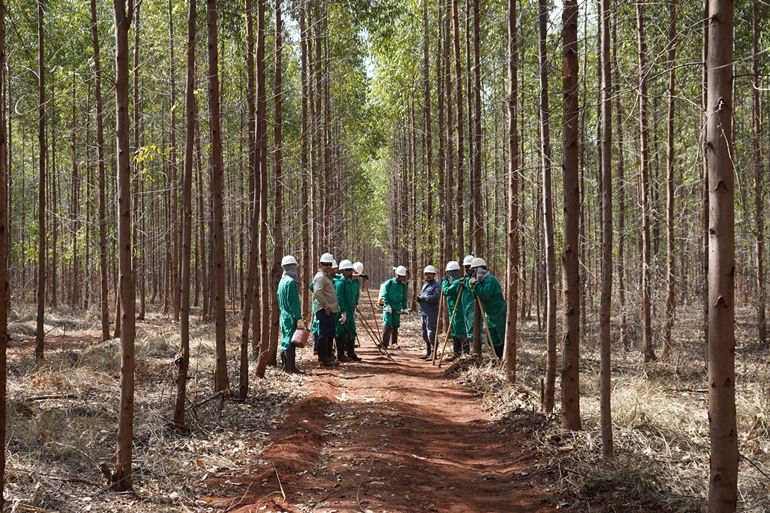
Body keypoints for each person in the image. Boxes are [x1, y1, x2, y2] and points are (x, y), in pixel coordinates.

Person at [468, 257, 507, 359]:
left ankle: (504, 360)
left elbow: (484, 294)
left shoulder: (490, 280)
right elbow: (476, 296)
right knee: (491, 339)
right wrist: (471, 285)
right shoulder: (481, 282)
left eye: (474, 271)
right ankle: (500, 358)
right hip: (490, 314)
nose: (473, 274)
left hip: (499, 312)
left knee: (501, 337)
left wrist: (476, 284)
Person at [277, 255, 305, 374]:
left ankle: (285, 367)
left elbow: (278, 298)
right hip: (290, 316)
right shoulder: (291, 283)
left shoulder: (282, 281)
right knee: (289, 341)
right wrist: (298, 317)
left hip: (283, 315)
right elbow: (294, 302)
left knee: (285, 340)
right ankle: (290, 368)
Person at [313, 252, 340, 367]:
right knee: (324, 333)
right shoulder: (320, 277)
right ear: (321, 265)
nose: (328, 266)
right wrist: (325, 306)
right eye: (326, 264)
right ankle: (323, 358)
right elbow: (317, 292)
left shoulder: (326, 276)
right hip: (325, 310)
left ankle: (328, 356)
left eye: (330, 264)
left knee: (329, 333)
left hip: (330, 310)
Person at [334, 260, 362, 362]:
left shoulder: (350, 282)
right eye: (348, 270)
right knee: (341, 331)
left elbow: (353, 298)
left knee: (352, 330)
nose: (351, 272)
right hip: (343, 312)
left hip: (350, 311)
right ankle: (340, 354)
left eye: (351, 270)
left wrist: (353, 310)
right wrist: (342, 312)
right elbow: (339, 299)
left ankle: (351, 353)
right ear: (343, 271)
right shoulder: (340, 283)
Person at [441, 261, 467, 362]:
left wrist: (444, 282)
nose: (449, 275)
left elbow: (446, 291)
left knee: (460, 331)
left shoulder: (456, 282)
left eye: (450, 272)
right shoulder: (453, 282)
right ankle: (456, 353)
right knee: (454, 331)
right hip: (453, 310)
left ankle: (465, 353)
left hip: (458, 310)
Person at [380, 265, 409, 349]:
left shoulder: (403, 286)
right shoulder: (388, 283)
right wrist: (387, 305)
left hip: (397, 307)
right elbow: (384, 295)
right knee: (388, 323)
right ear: (395, 274)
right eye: (399, 276)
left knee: (395, 325)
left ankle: (394, 343)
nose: (400, 278)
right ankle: (384, 343)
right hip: (388, 306)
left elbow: (404, 298)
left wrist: (405, 308)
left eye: (402, 277)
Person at [416, 265, 441, 359]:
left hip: (431, 313)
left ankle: (434, 354)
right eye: (426, 274)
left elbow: (435, 298)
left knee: (431, 333)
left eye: (430, 274)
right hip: (423, 312)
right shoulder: (424, 285)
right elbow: (423, 296)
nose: (428, 276)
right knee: (424, 333)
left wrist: (424, 298)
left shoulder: (436, 286)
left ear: (434, 275)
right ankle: (428, 352)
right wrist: (419, 299)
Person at [460, 254, 475, 354]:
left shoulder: (476, 278)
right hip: (465, 307)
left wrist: (467, 282)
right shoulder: (465, 278)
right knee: (466, 329)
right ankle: (466, 352)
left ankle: (475, 351)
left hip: (473, 308)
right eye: (466, 267)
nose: (467, 269)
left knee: (473, 329)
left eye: (469, 266)